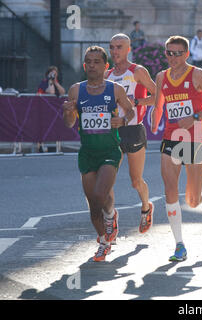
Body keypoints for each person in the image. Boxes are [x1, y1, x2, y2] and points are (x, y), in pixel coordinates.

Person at [151, 36, 202, 261]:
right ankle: (179, 244)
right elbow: (159, 103)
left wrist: (194, 117)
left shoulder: (197, 75)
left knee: (193, 201)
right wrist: (154, 122)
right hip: (171, 138)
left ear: (186, 54)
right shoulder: (161, 77)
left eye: (177, 53)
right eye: (168, 53)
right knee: (169, 188)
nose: (172, 58)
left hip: (194, 139)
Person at [62, 46, 135, 262]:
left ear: (105, 66)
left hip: (110, 150)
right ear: (84, 66)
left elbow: (130, 111)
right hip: (87, 153)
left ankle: (105, 240)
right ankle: (105, 232)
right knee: (94, 203)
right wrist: (68, 112)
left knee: (99, 195)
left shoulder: (115, 89)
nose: (92, 65)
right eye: (89, 62)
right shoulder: (76, 90)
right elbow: (69, 123)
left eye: (96, 61)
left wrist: (122, 120)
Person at [106, 33, 156, 235]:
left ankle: (146, 207)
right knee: (106, 179)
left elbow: (157, 96)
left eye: (119, 47)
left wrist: (137, 102)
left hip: (134, 130)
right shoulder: (106, 75)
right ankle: (110, 217)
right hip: (113, 131)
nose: (115, 51)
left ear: (128, 49)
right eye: (112, 47)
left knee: (136, 180)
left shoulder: (137, 71)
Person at [37, 66, 66, 152]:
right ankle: (41, 147)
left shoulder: (57, 83)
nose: (53, 75)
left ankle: (55, 147)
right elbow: (51, 92)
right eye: (52, 73)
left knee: (54, 128)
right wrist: (50, 81)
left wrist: (55, 82)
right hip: (44, 110)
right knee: (43, 129)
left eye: (55, 74)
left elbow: (63, 92)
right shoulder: (44, 83)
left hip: (55, 110)